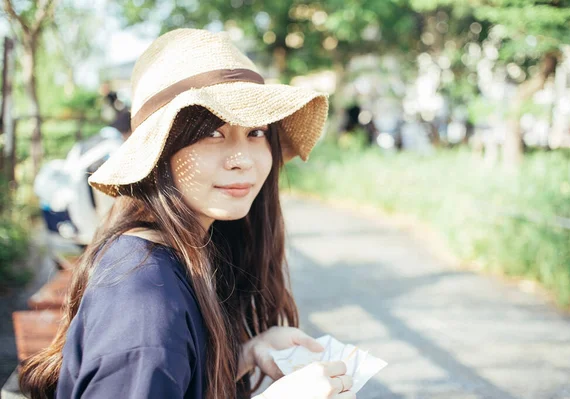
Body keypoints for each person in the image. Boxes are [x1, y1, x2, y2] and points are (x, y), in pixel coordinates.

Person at [18, 29, 355, 399]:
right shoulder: (144, 299)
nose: (242, 159)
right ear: (160, 153)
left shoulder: (186, 252)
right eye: (212, 133)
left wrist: (247, 353)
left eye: (256, 132)